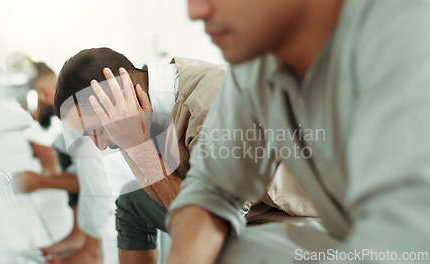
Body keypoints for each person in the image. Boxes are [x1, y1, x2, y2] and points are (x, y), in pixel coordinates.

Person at [165, 0, 430, 263]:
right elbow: (213, 191)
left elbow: (405, 244)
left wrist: (141, 148)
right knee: (225, 251)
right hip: (350, 229)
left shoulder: (406, 34)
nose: (195, 12)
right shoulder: (256, 62)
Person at [54, 48, 317, 264]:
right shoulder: (151, 97)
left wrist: (138, 146)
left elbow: (208, 223)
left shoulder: (210, 108)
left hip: (293, 221)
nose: (99, 146)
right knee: (131, 200)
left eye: (97, 130)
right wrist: (130, 143)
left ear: (122, 94)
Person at [16, 62, 105, 264]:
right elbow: (85, 174)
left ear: (46, 94)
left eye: (26, 103)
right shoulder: (69, 118)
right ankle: (78, 236)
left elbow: (97, 182)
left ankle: (91, 249)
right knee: (62, 146)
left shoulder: (75, 116)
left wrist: (39, 181)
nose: (25, 111)